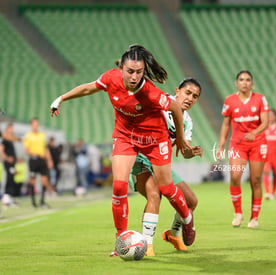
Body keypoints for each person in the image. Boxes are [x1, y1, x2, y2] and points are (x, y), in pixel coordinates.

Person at [50, 45, 195, 256]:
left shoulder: (150, 92)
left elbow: (174, 108)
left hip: (155, 139)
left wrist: (181, 138)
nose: (135, 76)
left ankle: (188, 221)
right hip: (125, 137)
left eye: (139, 72)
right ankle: (121, 241)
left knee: (166, 189)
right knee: (118, 188)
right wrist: (61, 98)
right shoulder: (111, 78)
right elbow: (90, 87)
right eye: (130, 71)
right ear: (122, 69)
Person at [129, 77, 203, 256]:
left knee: (191, 201)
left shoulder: (188, 122)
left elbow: (183, 151)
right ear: (177, 91)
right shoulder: (161, 101)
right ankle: (147, 245)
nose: (190, 98)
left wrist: (190, 152)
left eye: (195, 96)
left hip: (161, 165)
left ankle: (173, 234)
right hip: (141, 160)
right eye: (187, 93)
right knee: (154, 195)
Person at [217, 70, 269, 228]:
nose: (245, 82)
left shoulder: (260, 99)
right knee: (234, 176)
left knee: (255, 180)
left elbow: (265, 122)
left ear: (251, 83)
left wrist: (254, 132)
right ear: (236, 83)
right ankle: (238, 213)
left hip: (257, 143)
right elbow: (226, 124)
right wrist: (221, 145)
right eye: (241, 79)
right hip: (237, 145)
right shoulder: (230, 100)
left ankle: (254, 217)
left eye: (248, 80)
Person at [24, 118, 54, 208]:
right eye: (34, 124)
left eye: (37, 124)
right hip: (33, 160)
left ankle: (42, 201)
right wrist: (36, 154)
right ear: (31, 125)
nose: (36, 126)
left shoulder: (42, 135)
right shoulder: (28, 136)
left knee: (44, 181)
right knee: (32, 181)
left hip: (42, 160)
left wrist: (49, 160)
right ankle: (33, 202)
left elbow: (46, 148)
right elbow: (27, 150)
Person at [0, 123, 18, 206]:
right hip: (8, 163)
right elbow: (0, 149)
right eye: (10, 129)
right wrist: (7, 158)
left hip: (12, 164)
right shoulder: (5, 139)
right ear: (7, 130)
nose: (12, 131)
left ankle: (9, 198)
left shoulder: (10, 140)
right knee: (9, 179)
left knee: (11, 179)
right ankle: (6, 198)